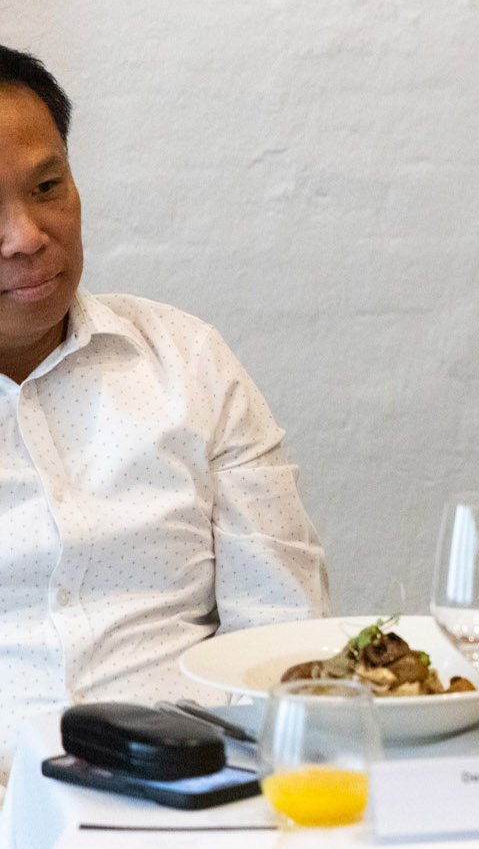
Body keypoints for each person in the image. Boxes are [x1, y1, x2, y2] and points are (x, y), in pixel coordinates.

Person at [0, 46, 328, 779]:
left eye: (48, 187)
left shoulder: (187, 362)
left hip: (194, 792)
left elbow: (283, 630)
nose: (27, 237)